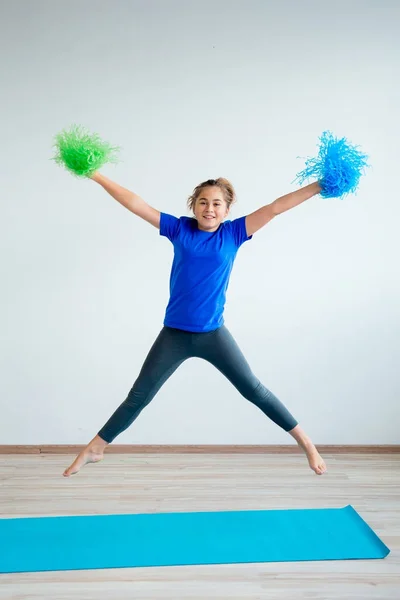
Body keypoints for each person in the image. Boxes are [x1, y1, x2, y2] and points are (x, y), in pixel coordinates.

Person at [63, 174, 327, 477]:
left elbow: (276, 207)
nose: (209, 208)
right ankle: (95, 448)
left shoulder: (234, 233)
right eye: (203, 202)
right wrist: (96, 174)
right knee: (139, 395)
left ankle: (306, 443)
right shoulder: (179, 228)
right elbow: (136, 204)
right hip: (174, 334)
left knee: (253, 389)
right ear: (193, 205)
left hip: (213, 335)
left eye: (217, 203)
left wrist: (319, 186)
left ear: (227, 210)